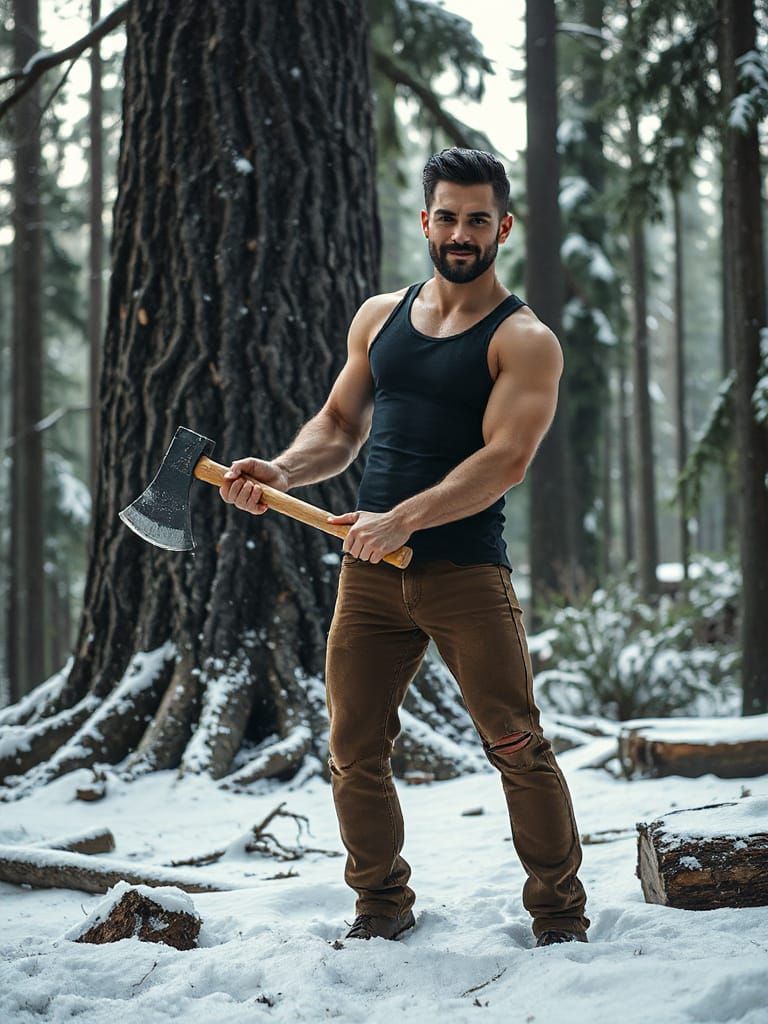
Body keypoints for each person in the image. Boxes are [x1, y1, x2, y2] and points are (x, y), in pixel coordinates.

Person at [219, 148, 591, 948]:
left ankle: (560, 916)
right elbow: (341, 426)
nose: (462, 233)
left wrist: (405, 518)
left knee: (516, 745)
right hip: (370, 577)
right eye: (448, 217)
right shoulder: (378, 316)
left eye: (478, 219)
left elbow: (506, 460)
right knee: (354, 750)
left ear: (504, 226)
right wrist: (281, 468)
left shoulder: (525, 340)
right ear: (426, 220)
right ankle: (381, 903)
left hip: (464, 572)